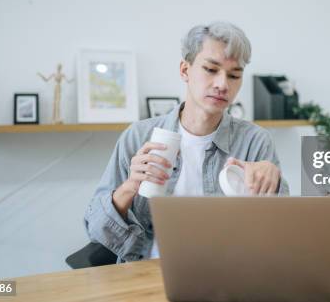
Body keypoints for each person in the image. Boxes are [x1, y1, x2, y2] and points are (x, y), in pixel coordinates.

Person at [85, 22, 289, 262]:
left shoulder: (255, 141)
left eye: (234, 75)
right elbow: (96, 231)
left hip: (229, 274)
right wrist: (131, 185)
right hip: (149, 275)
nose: (223, 84)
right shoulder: (139, 136)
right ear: (185, 70)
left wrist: (272, 184)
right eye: (211, 69)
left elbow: (277, 235)